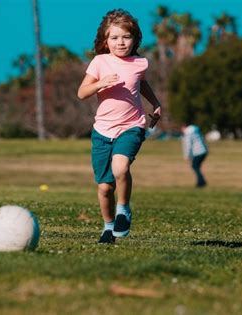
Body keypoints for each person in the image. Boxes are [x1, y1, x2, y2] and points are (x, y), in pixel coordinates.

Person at [77, 9, 162, 244]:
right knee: (105, 188)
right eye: (114, 38)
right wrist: (100, 84)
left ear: (134, 39)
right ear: (105, 40)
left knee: (121, 168)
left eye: (126, 37)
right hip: (102, 131)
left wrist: (155, 104)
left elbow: (141, 84)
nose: (120, 42)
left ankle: (123, 209)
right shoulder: (100, 62)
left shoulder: (139, 63)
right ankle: (108, 226)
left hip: (132, 126)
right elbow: (82, 92)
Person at [181, 123, 208, 188]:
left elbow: (188, 145)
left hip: (198, 152)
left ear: (183, 127)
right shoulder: (196, 131)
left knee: (195, 166)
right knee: (196, 167)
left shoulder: (188, 133)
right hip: (204, 151)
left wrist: (187, 155)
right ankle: (200, 182)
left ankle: (201, 182)